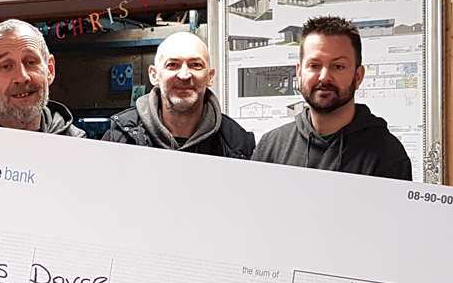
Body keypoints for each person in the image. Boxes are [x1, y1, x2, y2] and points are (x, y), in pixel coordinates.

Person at [253, 16, 410, 179]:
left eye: (338, 66)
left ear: (358, 76)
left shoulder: (387, 155)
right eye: (314, 65)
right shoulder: (271, 146)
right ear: (299, 72)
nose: (324, 77)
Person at [101, 31, 253, 157]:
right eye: (172, 65)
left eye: (196, 65)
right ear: (154, 75)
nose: (184, 75)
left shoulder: (238, 146)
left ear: (210, 77)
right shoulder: (118, 140)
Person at [0, 19, 84, 136]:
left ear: (50, 69)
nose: (22, 77)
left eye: (31, 62)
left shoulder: (79, 147)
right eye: (6, 66)